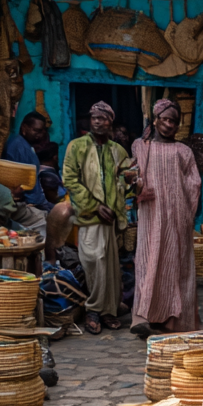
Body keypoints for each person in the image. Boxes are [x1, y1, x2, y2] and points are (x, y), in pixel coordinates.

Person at [130, 99, 201, 338]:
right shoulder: (140, 146)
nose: (169, 125)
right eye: (165, 119)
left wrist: (188, 215)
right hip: (150, 214)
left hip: (178, 217)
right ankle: (143, 317)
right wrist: (136, 187)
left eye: (174, 121)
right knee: (147, 261)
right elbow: (130, 175)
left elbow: (194, 184)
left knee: (175, 265)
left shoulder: (184, 151)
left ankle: (174, 322)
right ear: (155, 119)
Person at [62, 101, 134, 334]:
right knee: (93, 260)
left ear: (110, 121)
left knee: (110, 266)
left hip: (110, 218)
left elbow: (126, 180)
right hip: (89, 217)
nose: (96, 121)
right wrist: (94, 206)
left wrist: (130, 182)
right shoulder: (77, 146)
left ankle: (108, 312)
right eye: (93, 117)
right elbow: (70, 179)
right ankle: (94, 309)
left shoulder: (118, 150)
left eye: (102, 118)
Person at [3, 113, 53, 211]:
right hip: (29, 205)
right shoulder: (18, 146)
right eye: (36, 130)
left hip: (36, 202)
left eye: (41, 131)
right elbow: (22, 184)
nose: (39, 135)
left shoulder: (25, 145)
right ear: (24, 127)